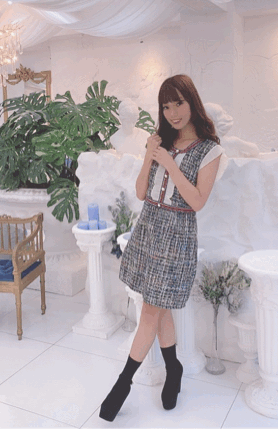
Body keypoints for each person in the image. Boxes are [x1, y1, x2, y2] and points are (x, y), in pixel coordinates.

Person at [99, 74, 223, 421]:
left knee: (150, 311)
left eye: (178, 104)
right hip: (149, 226)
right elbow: (141, 192)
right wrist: (150, 157)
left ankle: (122, 384)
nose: (173, 113)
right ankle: (174, 367)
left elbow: (197, 201)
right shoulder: (162, 142)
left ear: (192, 102)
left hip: (177, 232)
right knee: (159, 306)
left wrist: (170, 164)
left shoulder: (210, 150)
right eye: (166, 107)